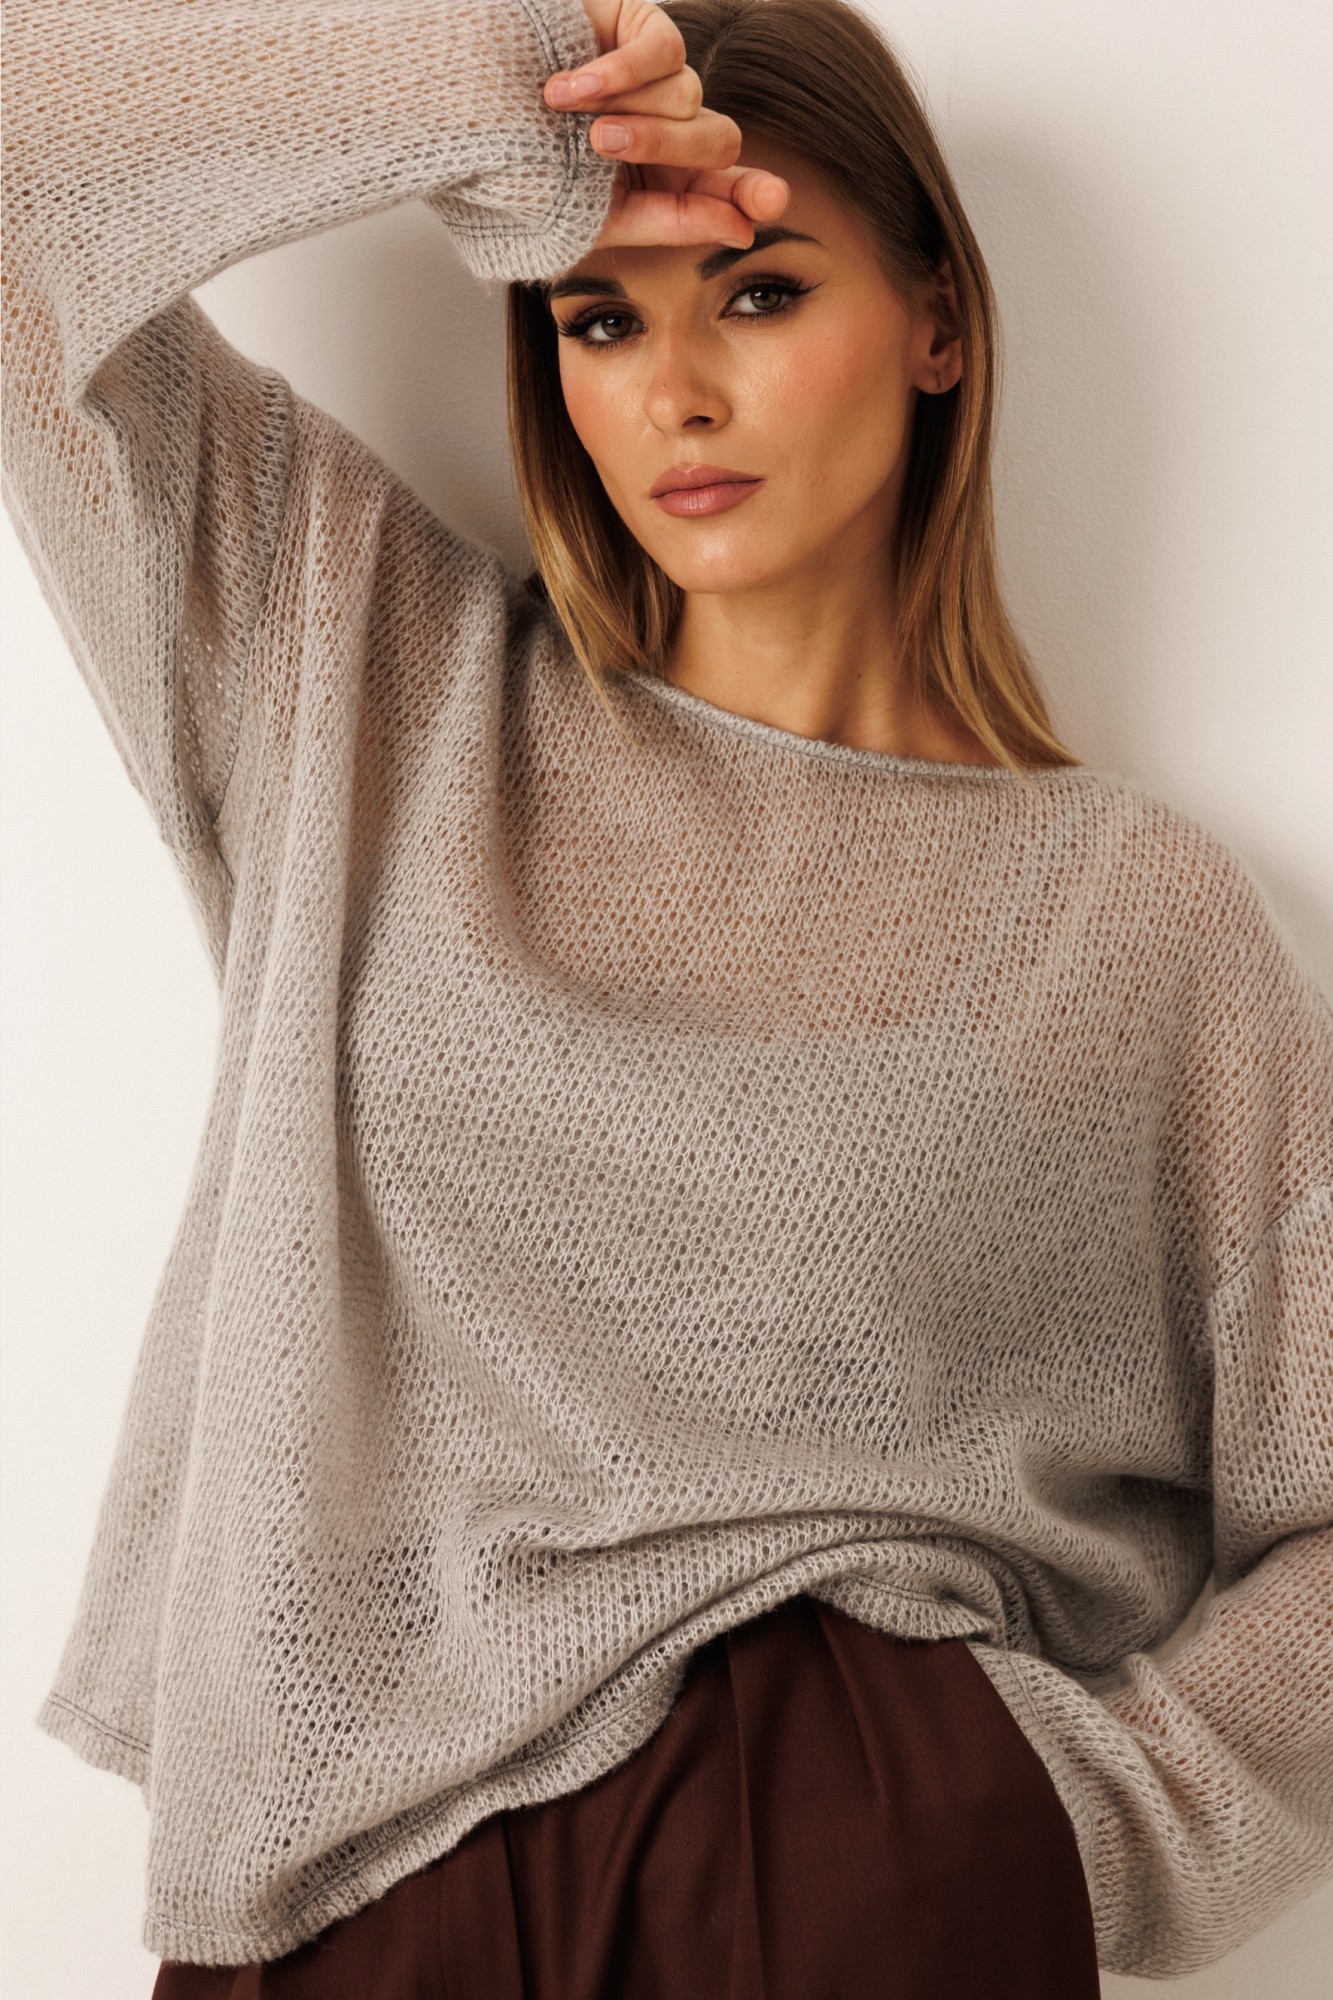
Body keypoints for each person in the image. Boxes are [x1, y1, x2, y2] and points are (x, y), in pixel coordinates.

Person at [3, 0, 1330, 1993]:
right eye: (601, 318)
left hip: (856, 1857)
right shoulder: (363, 682)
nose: (677, 393)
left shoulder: (1128, 920)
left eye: (759, 290)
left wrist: (1078, 1821)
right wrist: (492, 88)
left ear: (935, 322)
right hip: (350, 1886)